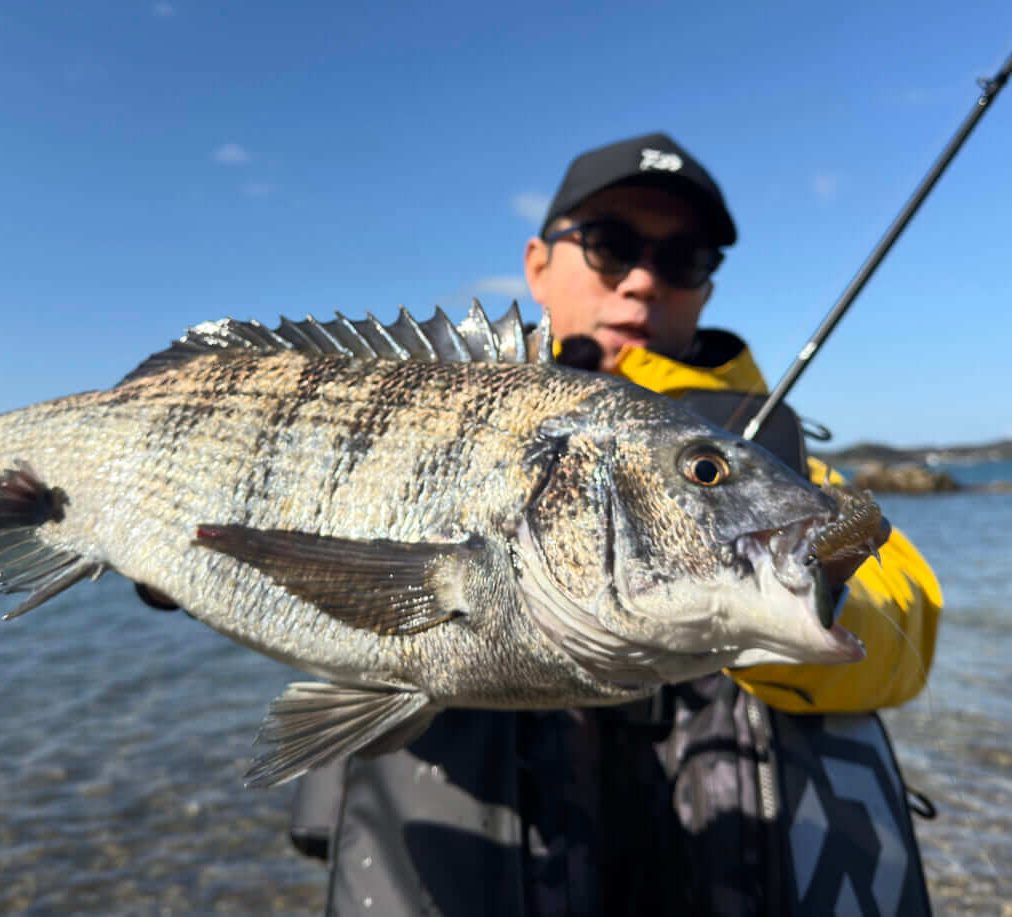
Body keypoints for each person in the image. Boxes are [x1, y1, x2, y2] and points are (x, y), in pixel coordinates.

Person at [289, 133, 943, 916]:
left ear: (706, 287)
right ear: (538, 263)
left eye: (683, 258)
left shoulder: (769, 445)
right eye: (610, 245)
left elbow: (909, 620)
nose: (642, 281)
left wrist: (792, 594)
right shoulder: (425, 403)